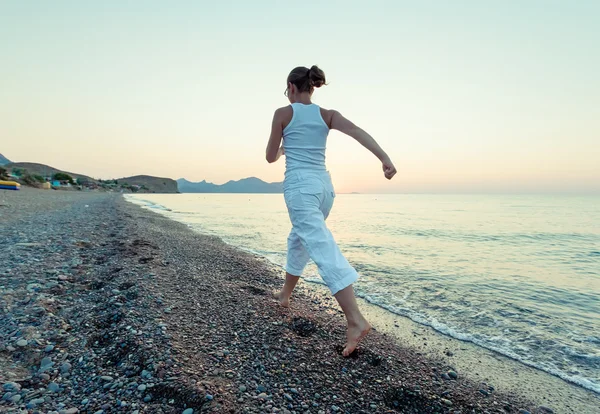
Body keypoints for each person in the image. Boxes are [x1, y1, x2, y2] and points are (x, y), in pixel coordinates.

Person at [266, 65, 397, 357]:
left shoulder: (282, 114)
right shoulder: (328, 115)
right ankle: (285, 295)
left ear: (291, 86)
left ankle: (355, 319)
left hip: (300, 187)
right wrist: (385, 158)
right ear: (312, 87)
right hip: (325, 189)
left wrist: (284, 149)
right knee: (300, 238)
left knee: (321, 246)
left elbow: (269, 157)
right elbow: (357, 132)